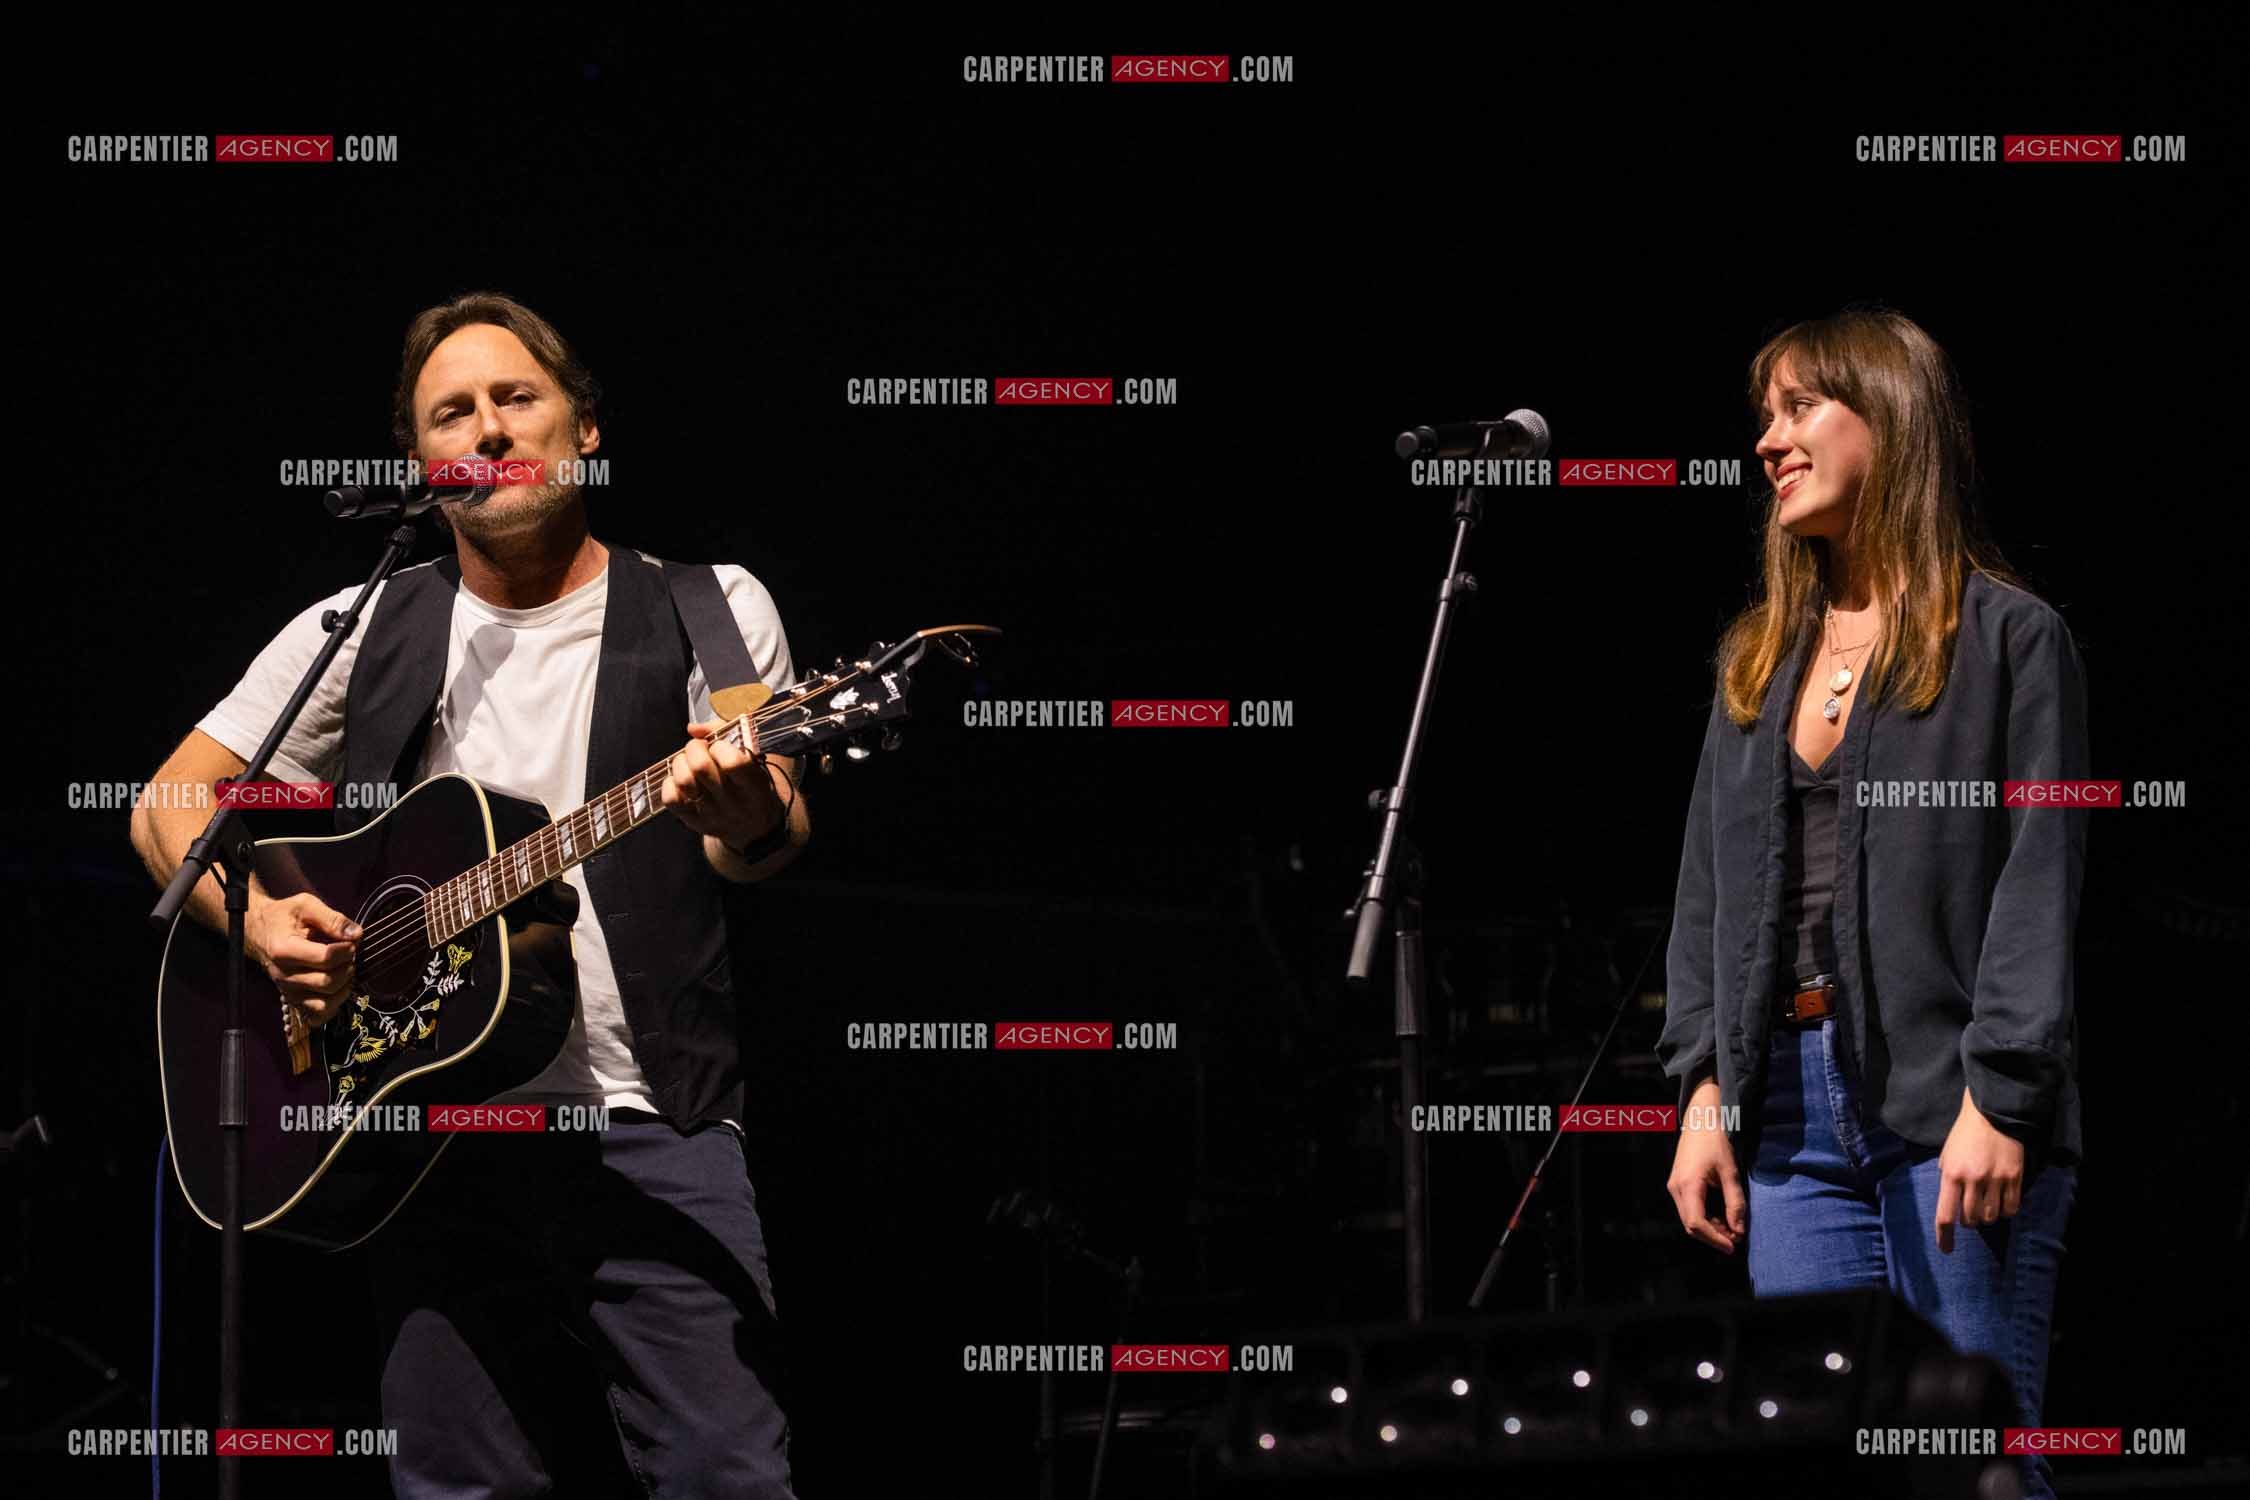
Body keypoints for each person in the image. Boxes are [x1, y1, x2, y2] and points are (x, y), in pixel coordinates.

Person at [129, 291, 808, 1497]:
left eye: (517, 399)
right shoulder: (361, 623)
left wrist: (742, 805)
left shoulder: (712, 604)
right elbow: (168, 807)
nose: (490, 429)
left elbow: (767, 828)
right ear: (421, 464)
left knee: (727, 1473)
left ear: (583, 429)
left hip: (648, 1113)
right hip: (429, 1131)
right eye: (455, 413)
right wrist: (265, 922)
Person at [1658, 308, 2085, 1498]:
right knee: (1828, 1464)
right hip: (1788, 1123)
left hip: (1949, 1105)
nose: (1768, 442)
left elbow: (2038, 882)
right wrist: (1702, 1092)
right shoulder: (1759, 661)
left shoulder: (2009, 641)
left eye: (1800, 409)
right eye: (1765, 416)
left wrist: (2000, 1095)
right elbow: (1706, 898)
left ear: (1888, 423)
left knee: (1974, 1467)